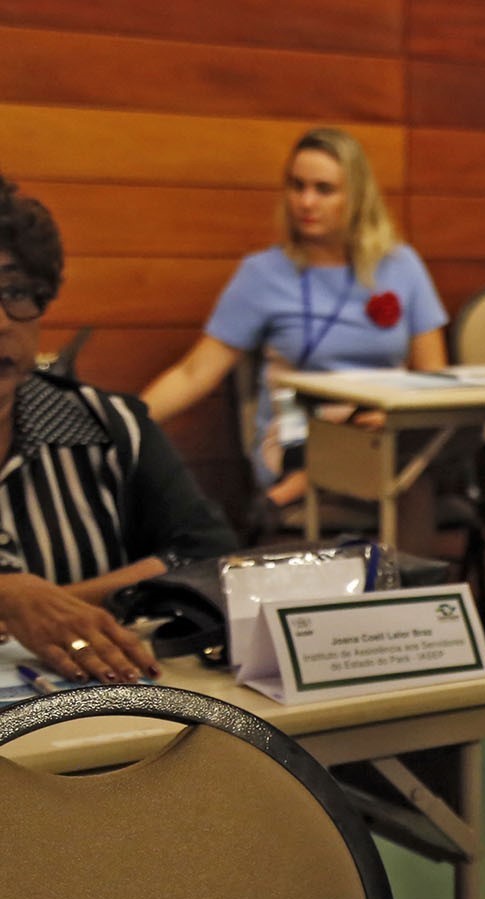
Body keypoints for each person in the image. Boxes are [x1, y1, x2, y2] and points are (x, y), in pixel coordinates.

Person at [140, 127, 449, 517]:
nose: (306, 202)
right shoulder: (262, 273)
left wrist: (391, 417)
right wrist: (125, 421)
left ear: (356, 195)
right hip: (299, 434)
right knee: (406, 476)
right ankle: (301, 491)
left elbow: (434, 379)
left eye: (324, 189)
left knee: (419, 453)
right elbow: (194, 373)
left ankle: (285, 499)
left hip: (383, 427)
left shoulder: (401, 266)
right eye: (296, 186)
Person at [0, 174, 235, 683]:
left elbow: (205, 552)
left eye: (16, 291)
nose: (2, 322)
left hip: (98, 714)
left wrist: (47, 608)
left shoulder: (106, 425)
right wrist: (10, 597)